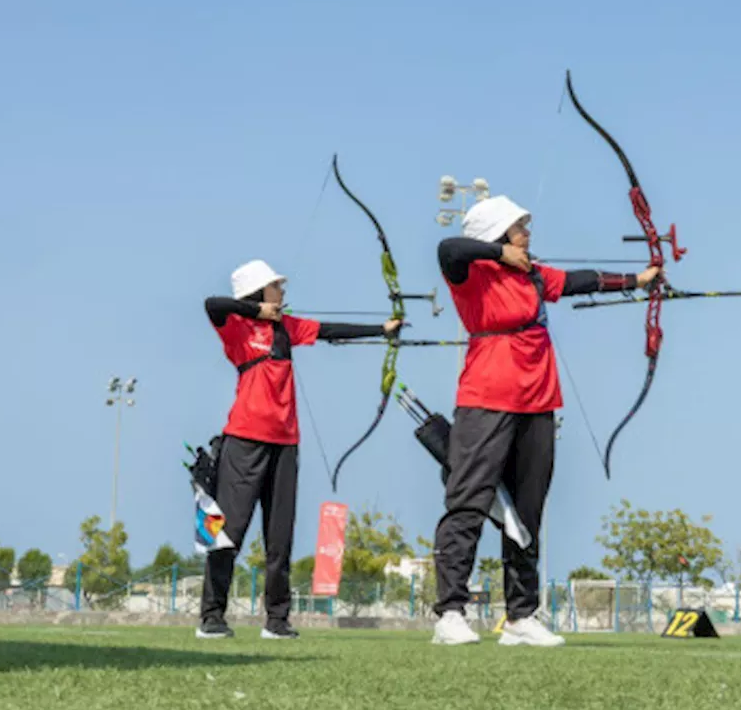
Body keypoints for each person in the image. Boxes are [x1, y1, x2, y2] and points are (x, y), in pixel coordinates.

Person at [432, 196, 662, 646]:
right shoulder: (472, 272)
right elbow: (447, 248)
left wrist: (639, 279)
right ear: (499, 235)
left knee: (527, 511)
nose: (528, 233)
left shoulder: (532, 274)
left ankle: (520, 617)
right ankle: (451, 612)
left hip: (538, 402)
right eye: (520, 227)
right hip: (486, 399)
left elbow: (581, 281)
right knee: (469, 503)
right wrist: (500, 254)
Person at [198, 259, 401, 640]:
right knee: (229, 531)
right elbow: (213, 304)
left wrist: (382, 329)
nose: (283, 291)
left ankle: (277, 620)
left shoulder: (286, 328)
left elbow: (329, 330)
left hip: (286, 443)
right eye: (276, 285)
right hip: (244, 440)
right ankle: (211, 617)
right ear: (259, 291)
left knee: (280, 536)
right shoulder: (238, 328)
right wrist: (256, 310)